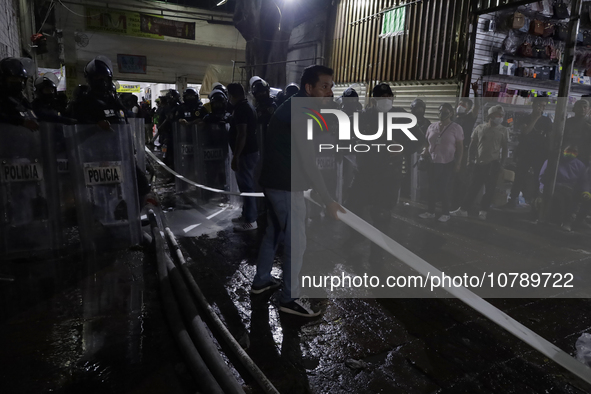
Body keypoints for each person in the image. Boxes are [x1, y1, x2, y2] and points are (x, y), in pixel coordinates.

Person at [253, 65, 344, 317]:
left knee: (272, 232)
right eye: (324, 86)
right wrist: (328, 200)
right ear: (309, 88)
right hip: (285, 185)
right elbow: (307, 159)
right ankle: (288, 299)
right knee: (297, 242)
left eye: (331, 86)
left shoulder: (298, 106)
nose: (330, 91)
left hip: (275, 181)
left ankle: (261, 281)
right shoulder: (302, 112)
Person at [346, 83, 423, 261]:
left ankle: (377, 252)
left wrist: (402, 149)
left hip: (388, 175)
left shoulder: (402, 116)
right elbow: (349, 137)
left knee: (381, 215)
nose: (385, 100)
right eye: (381, 96)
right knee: (351, 206)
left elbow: (418, 140)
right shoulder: (364, 116)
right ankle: (356, 235)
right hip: (364, 173)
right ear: (374, 99)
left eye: (389, 96)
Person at [69, 57, 151, 204]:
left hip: (121, 154)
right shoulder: (83, 103)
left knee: (142, 186)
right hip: (96, 158)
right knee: (102, 195)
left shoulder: (114, 102)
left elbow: (124, 124)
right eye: (97, 78)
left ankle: (132, 218)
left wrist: (131, 150)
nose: (101, 81)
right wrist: (95, 126)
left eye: (104, 77)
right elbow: (77, 129)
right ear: (90, 79)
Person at [450, 105, 509, 220]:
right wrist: (470, 160)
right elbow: (473, 146)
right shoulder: (480, 128)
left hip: (493, 164)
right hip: (479, 164)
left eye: (502, 115)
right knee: (473, 187)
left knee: (490, 189)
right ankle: (464, 209)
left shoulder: (503, 130)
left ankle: (483, 211)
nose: (500, 117)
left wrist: (502, 164)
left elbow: (505, 148)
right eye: (498, 115)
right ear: (490, 116)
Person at [418, 103, 464, 222]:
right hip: (432, 161)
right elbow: (427, 143)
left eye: (445, 111)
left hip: (447, 162)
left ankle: (445, 213)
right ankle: (431, 211)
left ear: (451, 113)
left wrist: (458, 163)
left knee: (443, 188)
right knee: (431, 188)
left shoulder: (456, 128)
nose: (441, 114)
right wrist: (425, 151)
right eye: (440, 111)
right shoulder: (432, 126)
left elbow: (460, 147)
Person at [506, 97, 552, 207]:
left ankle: (535, 201)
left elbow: (550, 137)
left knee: (538, 177)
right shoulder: (525, 118)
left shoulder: (547, 121)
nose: (541, 108)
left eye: (544, 106)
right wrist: (536, 118)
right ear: (533, 105)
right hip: (525, 152)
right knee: (520, 176)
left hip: (540, 153)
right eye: (539, 105)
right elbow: (525, 132)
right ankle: (513, 199)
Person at [227, 83, 260, 231]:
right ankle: (246, 214)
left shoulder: (241, 109)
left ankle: (251, 220)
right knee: (245, 186)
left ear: (232, 95)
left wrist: (236, 156)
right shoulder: (248, 106)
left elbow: (242, 134)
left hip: (245, 153)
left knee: (247, 187)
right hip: (249, 151)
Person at [539, 145, 587, 231]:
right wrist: (542, 188)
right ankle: (552, 220)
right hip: (554, 186)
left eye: (574, 151)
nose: (571, 153)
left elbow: (583, 181)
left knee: (572, 198)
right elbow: (542, 177)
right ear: (563, 151)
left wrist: (585, 192)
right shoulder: (553, 161)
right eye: (569, 150)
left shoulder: (580, 166)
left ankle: (567, 221)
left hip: (570, 189)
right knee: (559, 198)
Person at [0, 57, 38, 131]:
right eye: (14, 79)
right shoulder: (2, 97)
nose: (18, 83)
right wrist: (21, 122)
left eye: (21, 80)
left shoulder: (19, 98)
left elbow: (32, 111)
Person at [563, 100, 591, 167]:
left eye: (585, 107)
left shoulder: (589, 123)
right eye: (580, 107)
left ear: (589, 109)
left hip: (586, 156)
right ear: (574, 109)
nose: (582, 109)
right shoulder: (567, 122)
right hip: (568, 155)